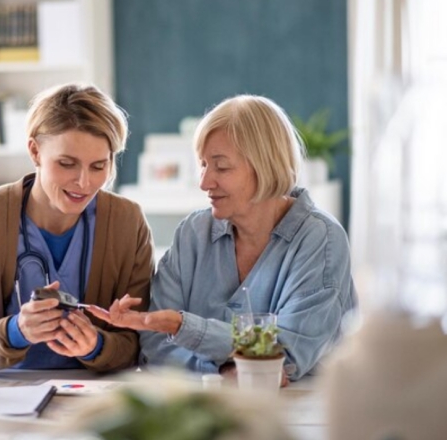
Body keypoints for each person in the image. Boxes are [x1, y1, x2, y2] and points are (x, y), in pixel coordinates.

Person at [88, 94, 357, 382]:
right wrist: (222, 371)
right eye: (203, 164)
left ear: (266, 165)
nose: (204, 182)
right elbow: (154, 344)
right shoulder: (193, 232)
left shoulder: (321, 239)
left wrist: (184, 328)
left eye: (222, 167)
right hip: (205, 408)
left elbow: (287, 354)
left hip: (299, 413)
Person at [0, 83, 154, 372]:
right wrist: (16, 331)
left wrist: (96, 345)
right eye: (67, 163)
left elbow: (141, 343)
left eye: (99, 166)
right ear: (35, 151)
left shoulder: (127, 222)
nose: (84, 183)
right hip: (2, 393)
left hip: (92, 397)